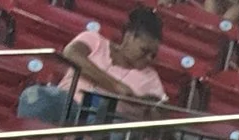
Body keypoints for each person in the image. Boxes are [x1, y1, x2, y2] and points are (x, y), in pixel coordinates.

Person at [17, 6, 165, 125]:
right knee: (35, 95)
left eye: (153, 55)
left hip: (102, 121)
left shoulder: (151, 79)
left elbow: (158, 114)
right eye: (144, 51)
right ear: (129, 36)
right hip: (67, 102)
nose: (149, 58)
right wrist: (116, 87)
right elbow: (71, 54)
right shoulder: (94, 40)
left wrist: (144, 108)